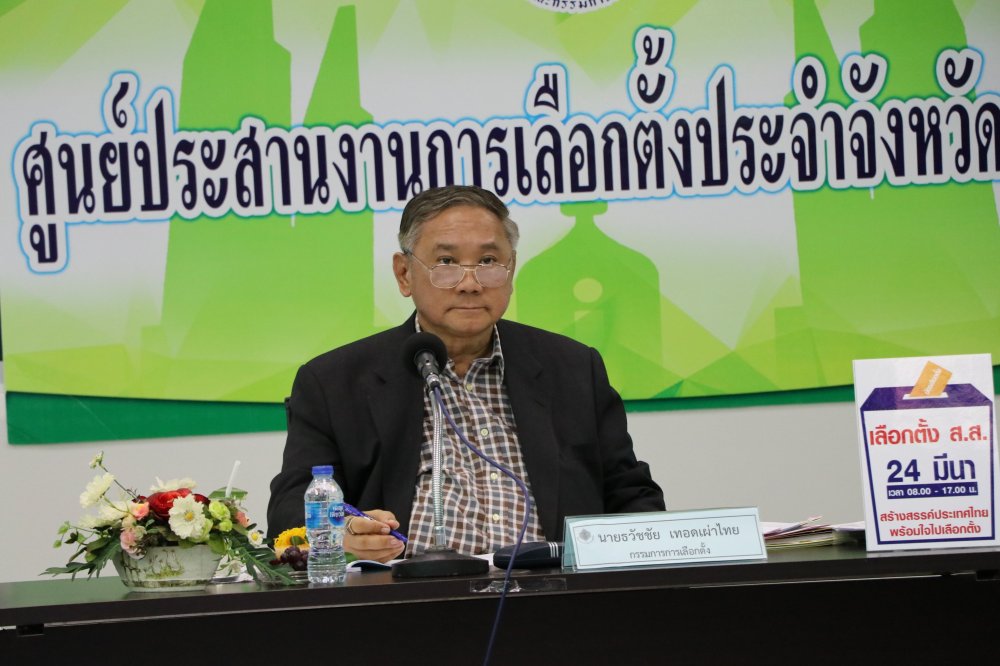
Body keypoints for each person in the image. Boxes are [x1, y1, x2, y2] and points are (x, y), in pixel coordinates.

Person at [266, 185, 664, 562]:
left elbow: (632, 494)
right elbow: (291, 506)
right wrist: (344, 532)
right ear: (404, 274)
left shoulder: (572, 368)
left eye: (488, 262)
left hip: (551, 591)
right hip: (406, 597)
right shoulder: (334, 382)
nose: (470, 283)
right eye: (446, 263)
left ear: (511, 269)